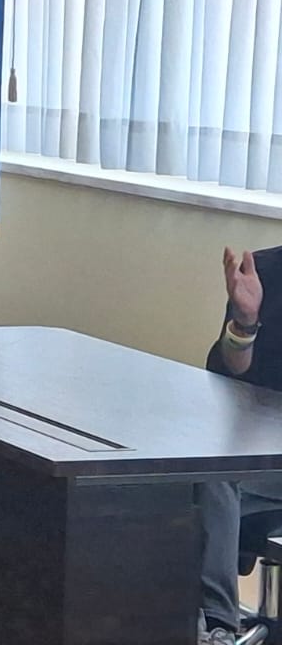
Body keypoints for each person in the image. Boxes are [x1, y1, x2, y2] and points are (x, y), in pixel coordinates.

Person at [198, 245, 282, 645]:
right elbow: (227, 371)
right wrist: (245, 323)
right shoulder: (262, 271)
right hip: (261, 458)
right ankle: (216, 626)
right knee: (191, 479)